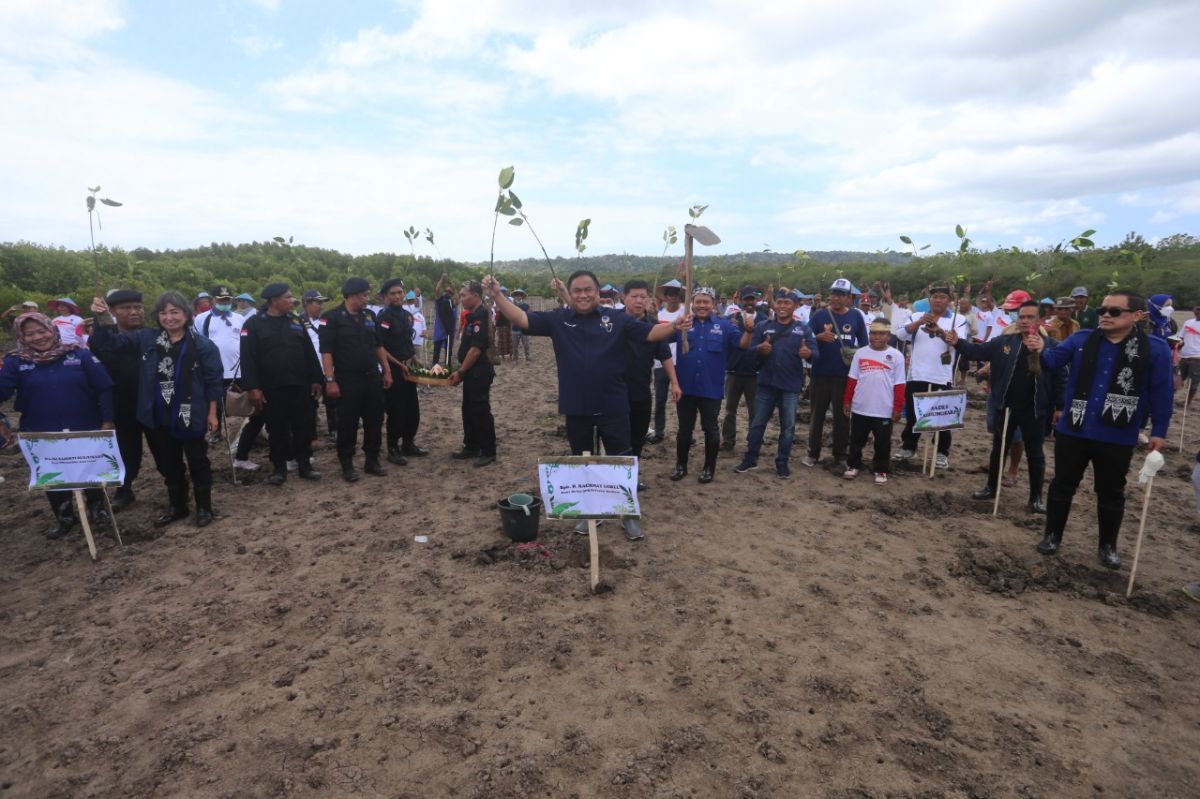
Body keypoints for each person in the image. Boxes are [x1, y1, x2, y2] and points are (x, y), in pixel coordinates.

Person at [1026, 290, 1173, 568]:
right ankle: (1052, 536)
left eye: (1115, 311)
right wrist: (1038, 349)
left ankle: (1107, 545)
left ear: (1137, 316)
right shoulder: (1082, 340)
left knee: (1111, 492)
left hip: (1117, 433)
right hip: (1074, 429)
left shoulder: (1155, 349)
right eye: (1103, 309)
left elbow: (1161, 393)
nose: (1105, 315)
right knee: (1061, 486)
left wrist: (1159, 431)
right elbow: (1052, 363)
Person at [487, 269, 685, 455]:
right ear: (570, 294)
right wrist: (497, 295)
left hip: (613, 406)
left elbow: (651, 332)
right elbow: (522, 318)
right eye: (577, 291)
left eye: (588, 290)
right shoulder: (558, 319)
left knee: (620, 461)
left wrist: (675, 325)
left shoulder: (617, 318)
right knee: (582, 461)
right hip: (576, 406)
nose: (583, 295)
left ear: (597, 293)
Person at [90, 292, 223, 527]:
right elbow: (109, 345)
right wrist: (101, 318)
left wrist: (213, 413)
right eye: (163, 313)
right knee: (169, 463)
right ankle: (178, 507)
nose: (169, 318)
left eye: (175, 312)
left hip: (191, 413)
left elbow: (213, 381)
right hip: (158, 413)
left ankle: (204, 508)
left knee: (198, 460)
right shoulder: (146, 338)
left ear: (186, 314)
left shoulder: (202, 344)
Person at [0, 312, 115, 537]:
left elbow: (104, 388)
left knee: (91, 470)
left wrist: (108, 420)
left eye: (42, 331)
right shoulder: (16, 361)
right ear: (21, 337)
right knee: (53, 474)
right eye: (30, 334)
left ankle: (98, 510)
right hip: (41, 430)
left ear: (52, 330)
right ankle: (64, 517)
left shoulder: (78, 355)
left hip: (85, 426)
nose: (38, 337)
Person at [949, 300, 1064, 513]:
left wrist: (1059, 406)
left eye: (1030, 317)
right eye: (1022, 317)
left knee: (1036, 454)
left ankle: (1036, 498)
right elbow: (976, 351)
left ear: (1039, 320)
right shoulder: (1004, 342)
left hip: (1035, 409)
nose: (1025, 321)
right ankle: (991, 487)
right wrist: (957, 342)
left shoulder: (1051, 347)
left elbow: (1060, 377)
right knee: (998, 449)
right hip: (1007, 406)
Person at [239, 283, 324, 485]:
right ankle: (279, 468)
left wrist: (316, 379)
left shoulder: (295, 321)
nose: (292, 300)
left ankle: (305, 465)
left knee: (303, 426)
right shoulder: (253, 324)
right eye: (287, 297)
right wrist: (253, 388)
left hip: (300, 385)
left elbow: (310, 352)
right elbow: (247, 358)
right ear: (274, 300)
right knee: (277, 429)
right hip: (271, 388)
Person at [670, 287, 753, 483]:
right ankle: (681, 465)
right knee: (684, 430)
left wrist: (749, 331)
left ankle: (709, 468)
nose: (702, 305)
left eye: (706, 302)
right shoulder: (684, 323)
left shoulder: (724, 326)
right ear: (692, 303)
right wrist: (675, 325)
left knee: (711, 429)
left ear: (713, 304)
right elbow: (662, 337)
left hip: (711, 388)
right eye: (698, 301)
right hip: (685, 387)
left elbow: (742, 344)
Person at [735, 289, 817, 478]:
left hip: (790, 387)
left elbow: (815, 352)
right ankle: (750, 458)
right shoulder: (763, 326)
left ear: (795, 306)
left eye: (787, 303)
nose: (782, 306)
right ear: (774, 304)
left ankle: (782, 462)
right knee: (757, 424)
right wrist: (760, 349)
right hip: (766, 384)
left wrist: (809, 354)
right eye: (779, 302)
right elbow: (748, 352)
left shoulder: (803, 329)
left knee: (787, 428)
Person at [320, 277, 392, 482]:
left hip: (372, 377)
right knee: (348, 423)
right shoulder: (331, 318)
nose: (367, 299)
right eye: (364, 295)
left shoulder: (369, 316)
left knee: (375, 420)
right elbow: (326, 352)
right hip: (347, 379)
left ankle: (372, 460)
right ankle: (347, 464)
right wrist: (330, 380)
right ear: (351, 295)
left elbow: (378, 346)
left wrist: (386, 370)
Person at [894, 285, 973, 469]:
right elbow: (901, 334)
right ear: (930, 300)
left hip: (941, 375)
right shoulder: (916, 316)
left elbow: (957, 342)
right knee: (913, 415)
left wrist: (938, 331)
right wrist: (919, 322)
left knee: (941, 417)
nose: (938, 300)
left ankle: (941, 453)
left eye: (942, 297)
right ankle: (908, 447)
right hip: (916, 374)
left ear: (949, 300)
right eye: (935, 297)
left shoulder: (957, 319)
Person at [93, 289, 154, 511]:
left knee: (166, 451)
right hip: (122, 405)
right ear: (113, 312)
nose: (133, 312)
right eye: (126, 308)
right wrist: (100, 322)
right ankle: (124, 489)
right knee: (126, 451)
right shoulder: (103, 338)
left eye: (137, 307)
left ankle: (177, 491)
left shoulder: (154, 334)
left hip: (154, 404)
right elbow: (102, 352)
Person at [623, 279, 681, 507]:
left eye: (643, 296)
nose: (639, 300)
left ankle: (632, 476)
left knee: (637, 438)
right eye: (634, 296)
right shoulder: (613, 322)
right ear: (623, 297)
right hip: (615, 392)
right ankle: (615, 476)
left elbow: (665, 355)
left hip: (641, 391)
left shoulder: (653, 325)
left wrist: (675, 383)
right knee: (617, 437)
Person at [805, 278, 869, 469]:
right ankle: (813, 454)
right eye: (834, 294)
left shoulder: (856, 316)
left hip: (845, 376)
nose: (836, 298)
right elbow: (806, 339)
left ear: (849, 298)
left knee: (842, 417)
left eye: (841, 295)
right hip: (820, 374)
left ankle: (840, 454)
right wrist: (818, 337)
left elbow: (865, 345)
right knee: (816, 416)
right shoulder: (819, 315)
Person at [840, 318, 905, 484]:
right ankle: (853, 465)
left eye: (881, 334)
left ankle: (881, 469)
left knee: (883, 442)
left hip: (883, 409)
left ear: (888, 335)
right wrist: (847, 401)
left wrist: (897, 408)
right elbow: (852, 379)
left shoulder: (897, 356)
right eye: (874, 333)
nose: (877, 337)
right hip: (861, 406)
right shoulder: (860, 353)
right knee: (856, 440)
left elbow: (899, 385)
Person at [446, 281, 496, 467]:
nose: (461, 298)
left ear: (475, 295)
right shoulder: (472, 315)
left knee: (480, 410)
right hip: (470, 371)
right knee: (468, 410)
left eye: (463, 295)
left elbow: (475, 350)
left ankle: (488, 450)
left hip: (479, 371)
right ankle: (471, 445)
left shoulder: (481, 316)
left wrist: (460, 372)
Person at [378, 278, 428, 465]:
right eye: (393, 293)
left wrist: (414, 358)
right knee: (396, 410)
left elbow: (407, 341)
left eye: (400, 292)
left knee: (412, 409)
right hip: (394, 369)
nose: (398, 296)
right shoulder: (384, 317)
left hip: (409, 367)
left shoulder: (405, 315)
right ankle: (393, 448)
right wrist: (398, 365)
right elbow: (380, 347)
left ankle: (408, 443)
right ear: (386, 297)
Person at [721, 286, 764, 452]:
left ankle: (753, 442)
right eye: (746, 299)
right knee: (730, 410)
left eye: (752, 299)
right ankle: (728, 440)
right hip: (734, 371)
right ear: (740, 301)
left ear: (757, 300)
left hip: (755, 373)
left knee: (755, 412)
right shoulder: (732, 319)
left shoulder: (764, 319)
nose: (749, 302)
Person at [649, 278, 686, 443]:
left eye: (676, 294)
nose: (673, 297)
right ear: (665, 297)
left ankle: (684, 432)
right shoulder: (658, 314)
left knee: (683, 401)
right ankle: (659, 432)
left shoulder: (686, 311)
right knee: (660, 399)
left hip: (681, 362)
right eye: (670, 294)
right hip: (661, 362)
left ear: (680, 296)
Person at [300, 289, 337, 441]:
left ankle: (334, 430)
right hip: (308, 370)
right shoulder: (298, 322)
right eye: (318, 302)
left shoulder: (327, 320)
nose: (321, 306)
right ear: (307, 303)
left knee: (332, 402)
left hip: (327, 369)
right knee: (309, 404)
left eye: (322, 303)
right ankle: (310, 432)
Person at [432, 272, 457, 367]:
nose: (448, 292)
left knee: (448, 352)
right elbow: (437, 290)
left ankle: (448, 368)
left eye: (450, 292)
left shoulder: (452, 301)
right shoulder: (440, 300)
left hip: (449, 330)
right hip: (439, 329)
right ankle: (434, 368)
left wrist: (452, 285)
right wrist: (442, 279)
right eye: (446, 291)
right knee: (436, 351)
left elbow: (458, 299)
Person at [1179, 304, 1200, 408]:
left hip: (1197, 358)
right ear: (1194, 310)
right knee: (1178, 379)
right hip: (1184, 356)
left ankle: (1188, 402)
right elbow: (1181, 337)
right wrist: (1178, 345)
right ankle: (1170, 398)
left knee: (1193, 383)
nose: (1198, 311)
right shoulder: (1188, 322)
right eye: (1197, 309)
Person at [510, 289, 532, 362]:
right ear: (515, 296)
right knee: (514, 345)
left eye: (520, 295)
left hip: (524, 328)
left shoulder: (526, 306)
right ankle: (515, 359)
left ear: (522, 296)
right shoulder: (512, 306)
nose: (518, 296)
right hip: (514, 328)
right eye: (517, 295)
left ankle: (527, 357)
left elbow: (530, 315)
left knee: (526, 345)